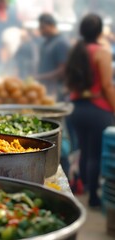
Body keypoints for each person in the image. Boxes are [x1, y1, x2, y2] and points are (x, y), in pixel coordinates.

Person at [64, 13, 115, 207]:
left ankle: (82, 187)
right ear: (100, 31)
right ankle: (93, 197)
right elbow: (107, 86)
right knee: (95, 154)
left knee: (84, 150)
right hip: (97, 109)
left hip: (77, 109)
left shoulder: (76, 50)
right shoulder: (102, 52)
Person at [36, 13, 70, 101]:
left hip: (56, 90)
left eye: (43, 28)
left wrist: (40, 77)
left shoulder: (61, 43)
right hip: (44, 89)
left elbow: (62, 70)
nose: (41, 31)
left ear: (51, 25)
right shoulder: (46, 43)